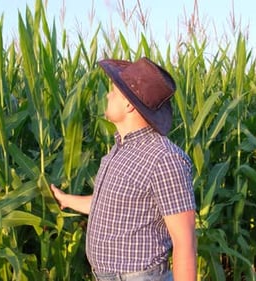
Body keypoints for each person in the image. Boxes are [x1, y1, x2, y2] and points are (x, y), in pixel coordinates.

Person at [50, 57, 197, 281]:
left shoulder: (164, 159)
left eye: (113, 92)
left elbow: (185, 241)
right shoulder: (120, 149)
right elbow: (111, 204)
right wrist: (66, 200)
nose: (107, 95)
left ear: (129, 104)